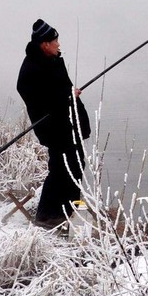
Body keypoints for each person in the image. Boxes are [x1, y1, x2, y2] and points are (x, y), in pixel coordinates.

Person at [16, 19, 91, 229]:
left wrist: (70, 96)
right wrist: (66, 96)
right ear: (44, 43)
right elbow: (34, 94)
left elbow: (61, 88)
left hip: (68, 121)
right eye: (55, 40)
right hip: (53, 127)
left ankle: (68, 212)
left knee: (76, 164)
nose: (58, 44)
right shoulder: (31, 67)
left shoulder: (54, 59)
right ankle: (46, 217)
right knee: (60, 168)